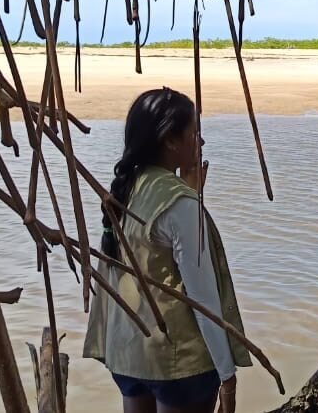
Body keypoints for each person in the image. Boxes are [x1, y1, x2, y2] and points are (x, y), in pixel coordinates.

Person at [84, 87, 250, 413]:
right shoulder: (179, 204)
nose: (200, 143)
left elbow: (153, 253)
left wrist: (189, 194)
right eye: (194, 133)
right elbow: (203, 298)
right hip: (179, 361)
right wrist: (227, 375)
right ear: (171, 141)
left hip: (130, 353)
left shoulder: (129, 188)